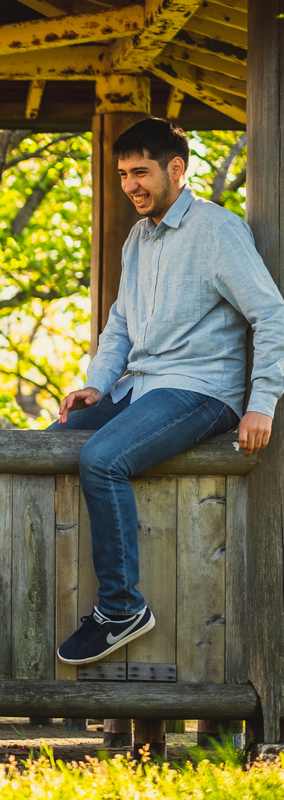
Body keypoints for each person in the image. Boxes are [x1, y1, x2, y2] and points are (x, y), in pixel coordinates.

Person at [51, 117, 284, 665]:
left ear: (176, 169)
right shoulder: (139, 238)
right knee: (52, 440)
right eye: (123, 174)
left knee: (102, 458)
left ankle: (121, 609)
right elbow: (120, 325)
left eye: (141, 172)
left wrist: (261, 403)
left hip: (203, 390)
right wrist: (95, 385)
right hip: (141, 386)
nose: (130, 184)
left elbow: (270, 312)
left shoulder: (217, 230)